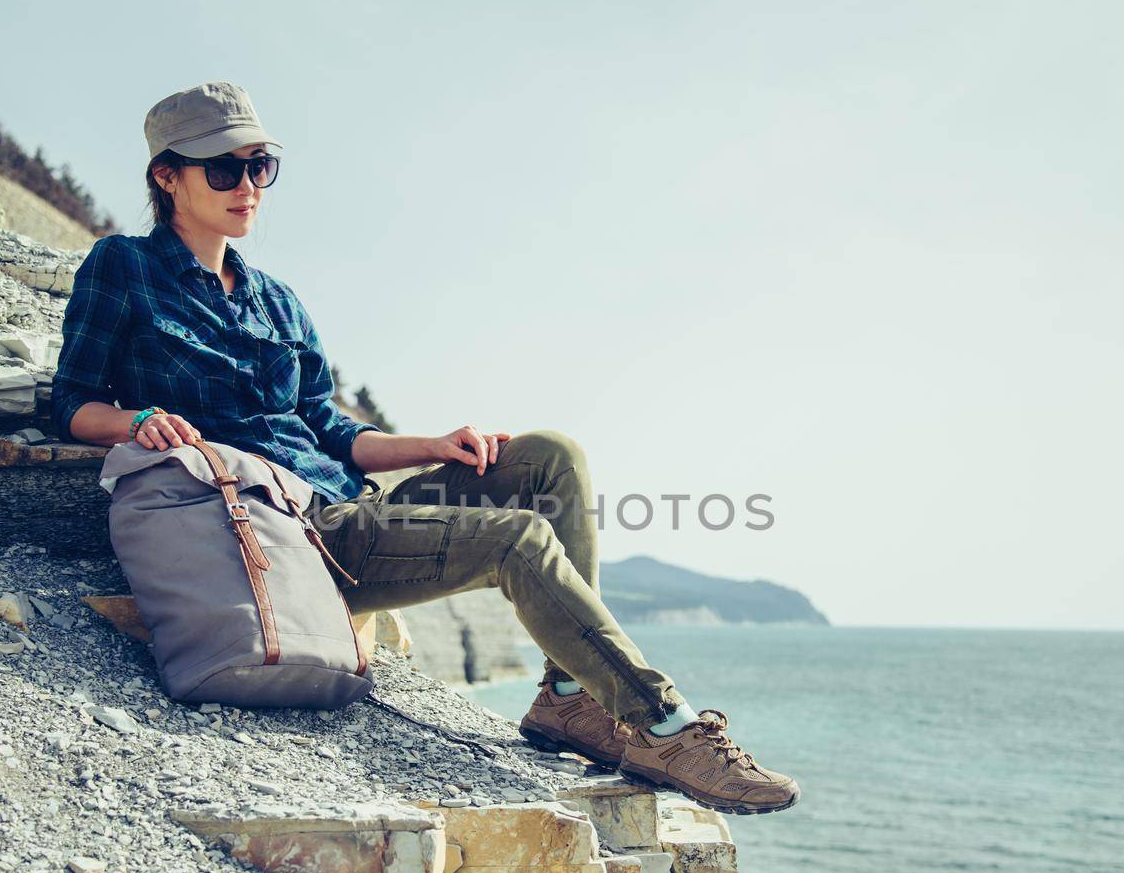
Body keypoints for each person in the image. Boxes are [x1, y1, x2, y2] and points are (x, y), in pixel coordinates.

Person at [50, 80, 799, 815]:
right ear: (165, 175)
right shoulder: (124, 268)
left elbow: (332, 430)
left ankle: (568, 699)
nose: (248, 186)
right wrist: (137, 419)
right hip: (284, 534)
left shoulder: (277, 298)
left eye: (259, 167)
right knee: (518, 541)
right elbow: (71, 400)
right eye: (224, 169)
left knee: (547, 455)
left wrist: (435, 445)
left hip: (348, 508)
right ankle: (666, 725)